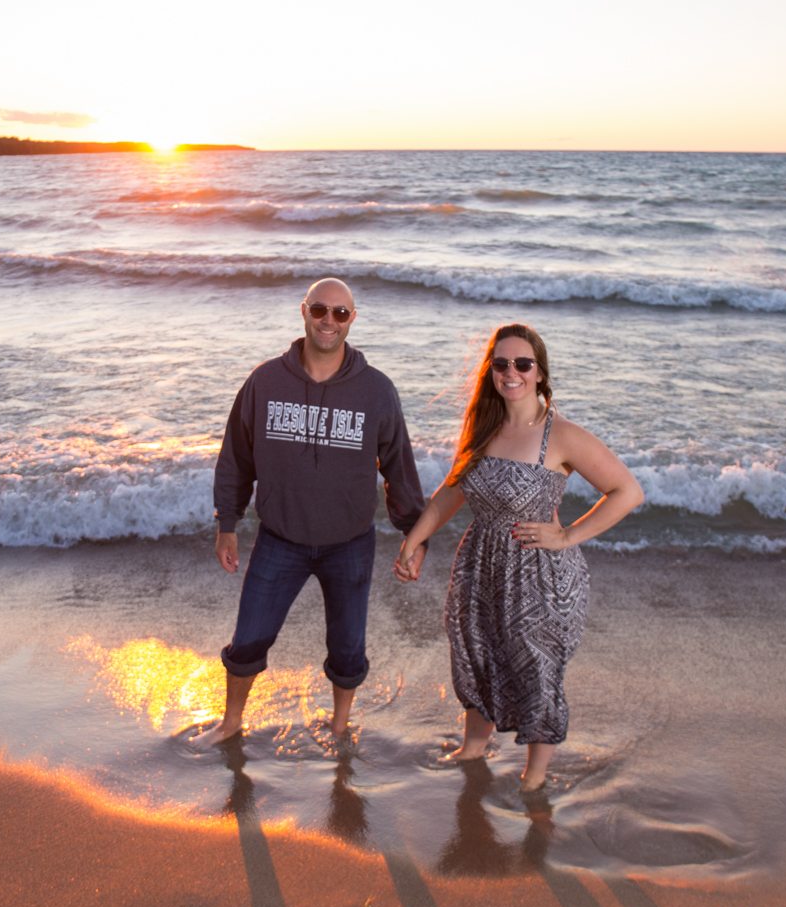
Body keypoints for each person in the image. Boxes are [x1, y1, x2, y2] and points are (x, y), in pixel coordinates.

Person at [393, 323, 643, 790]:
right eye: (501, 363)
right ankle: (473, 747)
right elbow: (452, 493)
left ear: (540, 373)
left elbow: (626, 491)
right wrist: (415, 539)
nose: (512, 373)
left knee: (536, 665)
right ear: (491, 371)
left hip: (540, 575)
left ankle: (534, 776)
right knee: (475, 655)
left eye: (523, 364)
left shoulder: (561, 435)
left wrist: (567, 535)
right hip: (479, 567)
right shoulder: (483, 428)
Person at [203, 278, 426, 744]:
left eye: (340, 313)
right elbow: (237, 456)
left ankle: (340, 728)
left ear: (352, 320)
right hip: (279, 540)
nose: (329, 321)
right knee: (249, 640)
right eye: (320, 310)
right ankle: (231, 723)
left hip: (350, 543)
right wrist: (228, 523)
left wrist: (414, 536)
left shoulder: (376, 391)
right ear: (303, 311)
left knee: (347, 648)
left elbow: (399, 467)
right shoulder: (265, 381)